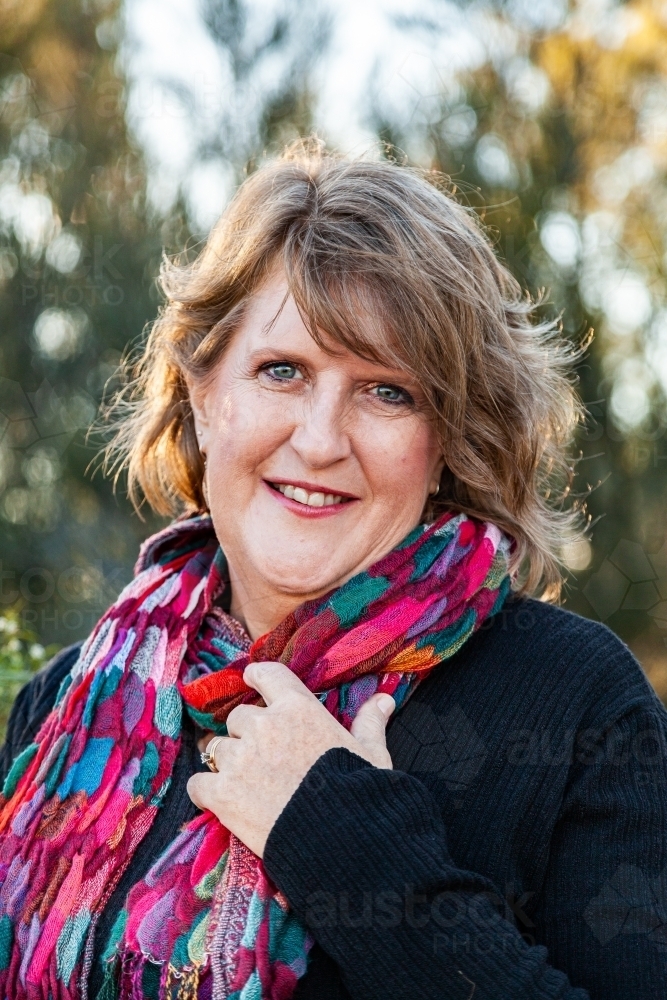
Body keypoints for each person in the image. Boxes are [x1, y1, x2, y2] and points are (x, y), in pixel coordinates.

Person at [0, 141, 665, 1000]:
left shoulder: (575, 705)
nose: (319, 441)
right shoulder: (65, 707)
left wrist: (346, 842)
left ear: (446, 440)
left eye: (387, 391)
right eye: (282, 371)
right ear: (205, 394)